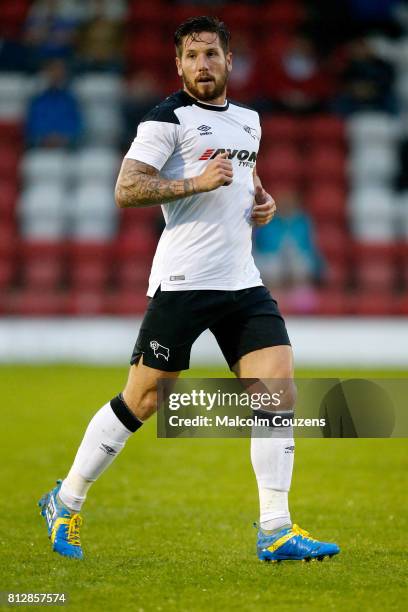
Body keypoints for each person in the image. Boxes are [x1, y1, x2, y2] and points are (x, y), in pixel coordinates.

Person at [38, 16, 340, 563]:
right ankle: (67, 499)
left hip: (241, 281)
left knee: (277, 390)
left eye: (212, 54)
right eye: (193, 55)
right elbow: (127, 189)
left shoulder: (249, 121)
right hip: (183, 282)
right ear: (178, 64)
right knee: (144, 399)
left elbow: (245, 182)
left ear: (229, 60)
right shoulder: (165, 119)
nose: (203, 64)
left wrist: (261, 202)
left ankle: (275, 528)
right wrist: (194, 183)